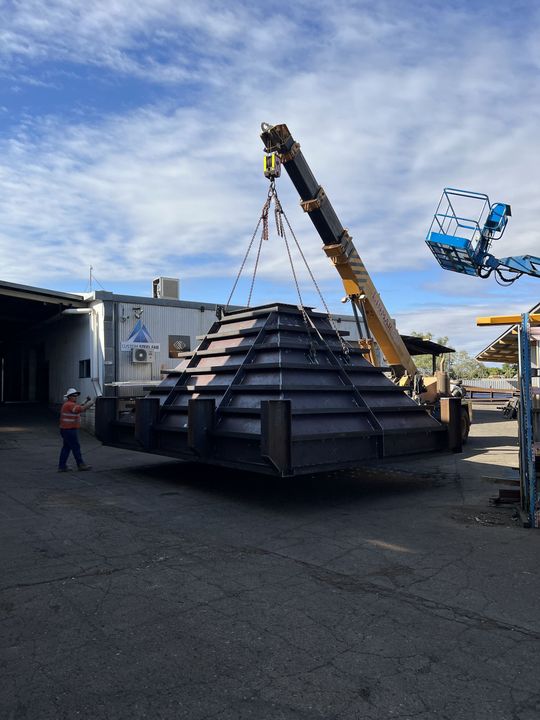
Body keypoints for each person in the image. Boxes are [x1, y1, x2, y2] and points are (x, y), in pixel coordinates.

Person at [58, 388, 95, 472]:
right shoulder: (70, 405)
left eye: (76, 395)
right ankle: (80, 464)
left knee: (66, 447)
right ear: (69, 397)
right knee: (76, 447)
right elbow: (80, 409)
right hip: (69, 430)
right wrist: (91, 402)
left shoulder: (68, 404)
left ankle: (62, 466)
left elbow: (79, 406)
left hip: (65, 430)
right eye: (74, 395)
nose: (76, 397)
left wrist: (86, 400)